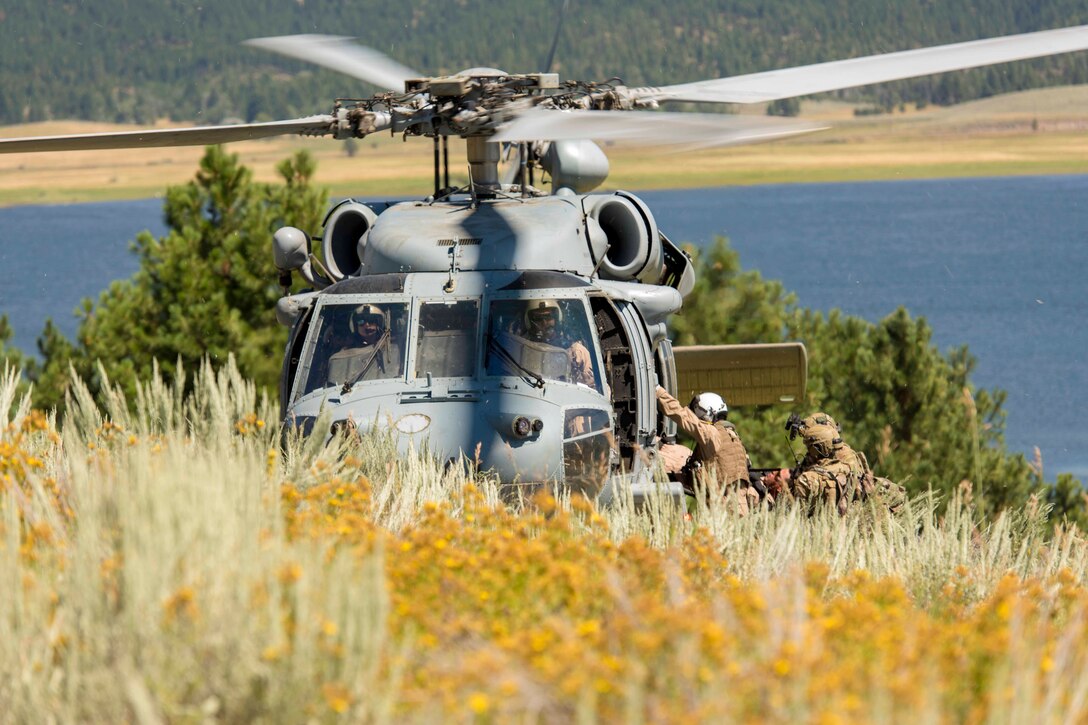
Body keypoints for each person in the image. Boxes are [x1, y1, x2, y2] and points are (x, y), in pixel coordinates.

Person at [655, 386, 762, 514]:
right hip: (739, 507)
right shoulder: (733, 438)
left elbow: (681, 415)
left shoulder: (712, 435)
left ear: (707, 414)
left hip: (723, 509)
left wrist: (658, 391)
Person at [521, 299, 595, 388]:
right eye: (538, 319)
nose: (544, 323)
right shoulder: (521, 349)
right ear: (530, 322)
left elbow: (594, 387)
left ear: (556, 318)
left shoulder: (575, 351)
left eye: (548, 317)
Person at [326, 303, 402, 385]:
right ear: (354, 325)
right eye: (361, 321)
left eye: (372, 320)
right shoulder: (340, 357)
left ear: (380, 323)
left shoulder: (392, 351)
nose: (367, 325)